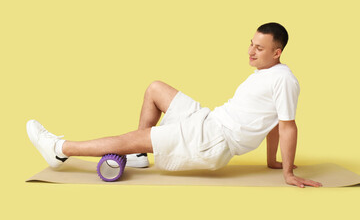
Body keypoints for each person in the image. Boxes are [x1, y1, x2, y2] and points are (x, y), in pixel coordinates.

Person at [27, 22, 323, 188]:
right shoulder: (265, 73)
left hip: (213, 140)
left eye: (259, 48)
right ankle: (139, 156)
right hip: (209, 121)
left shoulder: (284, 80)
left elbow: (286, 125)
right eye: (250, 44)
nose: (251, 52)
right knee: (156, 88)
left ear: (277, 52)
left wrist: (286, 172)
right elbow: (272, 122)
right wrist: (271, 162)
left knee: (128, 140)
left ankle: (59, 151)